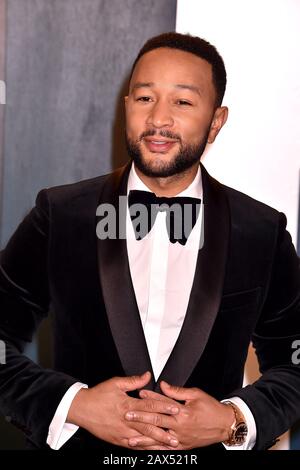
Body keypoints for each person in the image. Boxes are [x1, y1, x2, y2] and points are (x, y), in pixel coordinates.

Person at [0, 31, 300, 452]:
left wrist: (231, 421)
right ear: (126, 108)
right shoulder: (62, 214)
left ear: (216, 120)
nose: (159, 119)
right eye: (144, 98)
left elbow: (295, 360)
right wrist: (73, 405)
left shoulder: (261, 231)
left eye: (182, 101)